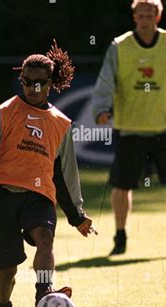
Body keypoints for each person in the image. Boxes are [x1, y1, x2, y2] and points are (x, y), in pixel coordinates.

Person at [0, 41, 95, 307]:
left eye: (40, 83)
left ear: (51, 84)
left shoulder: (61, 123)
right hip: (3, 194)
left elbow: (65, 173)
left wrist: (77, 216)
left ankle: (43, 291)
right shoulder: (5, 112)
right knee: (8, 268)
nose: (33, 88)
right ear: (21, 81)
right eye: (27, 82)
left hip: (39, 195)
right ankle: (4, 306)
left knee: (45, 238)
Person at [92, 0, 166, 255]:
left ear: (158, 16)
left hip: (163, 128)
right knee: (122, 186)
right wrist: (101, 110)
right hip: (130, 129)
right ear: (134, 17)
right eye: (140, 14)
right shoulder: (120, 46)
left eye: (150, 14)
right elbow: (105, 81)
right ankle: (120, 235)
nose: (145, 19)